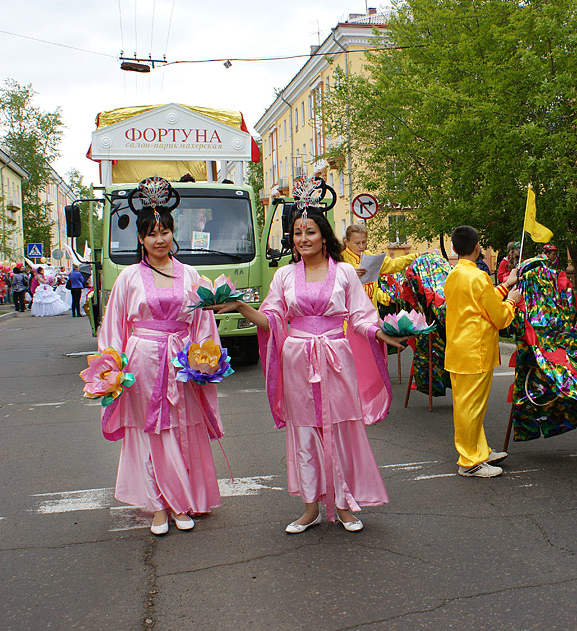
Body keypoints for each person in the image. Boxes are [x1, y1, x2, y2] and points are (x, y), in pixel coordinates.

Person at [213, 210, 407, 533]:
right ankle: (310, 508)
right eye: (298, 232)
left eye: (311, 232)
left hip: (335, 357)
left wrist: (381, 333)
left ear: (324, 235)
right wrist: (242, 308)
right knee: (303, 432)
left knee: (341, 429)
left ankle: (344, 505)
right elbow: (272, 320)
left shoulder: (345, 272)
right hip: (298, 360)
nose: (303, 238)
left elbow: (361, 317)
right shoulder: (284, 276)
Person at [97, 202, 226, 535]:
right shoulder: (128, 278)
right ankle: (158, 506)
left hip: (182, 360)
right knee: (151, 431)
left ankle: (182, 502)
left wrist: (203, 362)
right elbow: (114, 326)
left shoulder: (191, 275)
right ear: (141, 239)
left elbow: (202, 322)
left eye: (164, 232)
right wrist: (112, 368)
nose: (159, 240)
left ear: (173, 234)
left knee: (182, 427)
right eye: (151, 234)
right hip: (142, 362)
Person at [444, 226, 522, 478]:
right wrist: (512, 300)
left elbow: (478, 302)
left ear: (454, 249)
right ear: (477, 248)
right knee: (470, 408)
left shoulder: (454, 275)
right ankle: (469, 461)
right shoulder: (478, 277)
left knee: (470, 406)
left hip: (460, 350)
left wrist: (506, 285)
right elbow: (498, 317)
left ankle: (479, 451)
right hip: (474, 351)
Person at [341, 224, 418, 308]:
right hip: (349, 315)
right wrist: (349, 274)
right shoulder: (339, 259)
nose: (361, 246)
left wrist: (416, 256)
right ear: (346, 242)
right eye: (357, 243)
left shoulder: (369, 256)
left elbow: (393, 264)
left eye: (364, 242)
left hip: (371, 313)